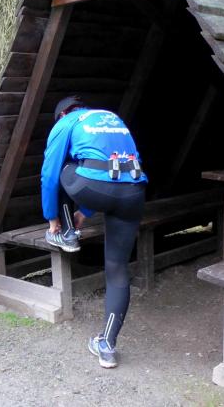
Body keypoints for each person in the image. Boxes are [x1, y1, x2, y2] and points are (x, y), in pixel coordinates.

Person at [41, 96, 148, 368]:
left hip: (94, 188)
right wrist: (85, 213)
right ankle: (107, 345)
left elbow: (49, 176)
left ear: (62, 114)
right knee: (117, 269)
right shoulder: (112, 118)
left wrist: (52, 220)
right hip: (134, 191)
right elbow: (115, 169)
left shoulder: (66, 122)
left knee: (63, 165)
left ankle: (67, 234)